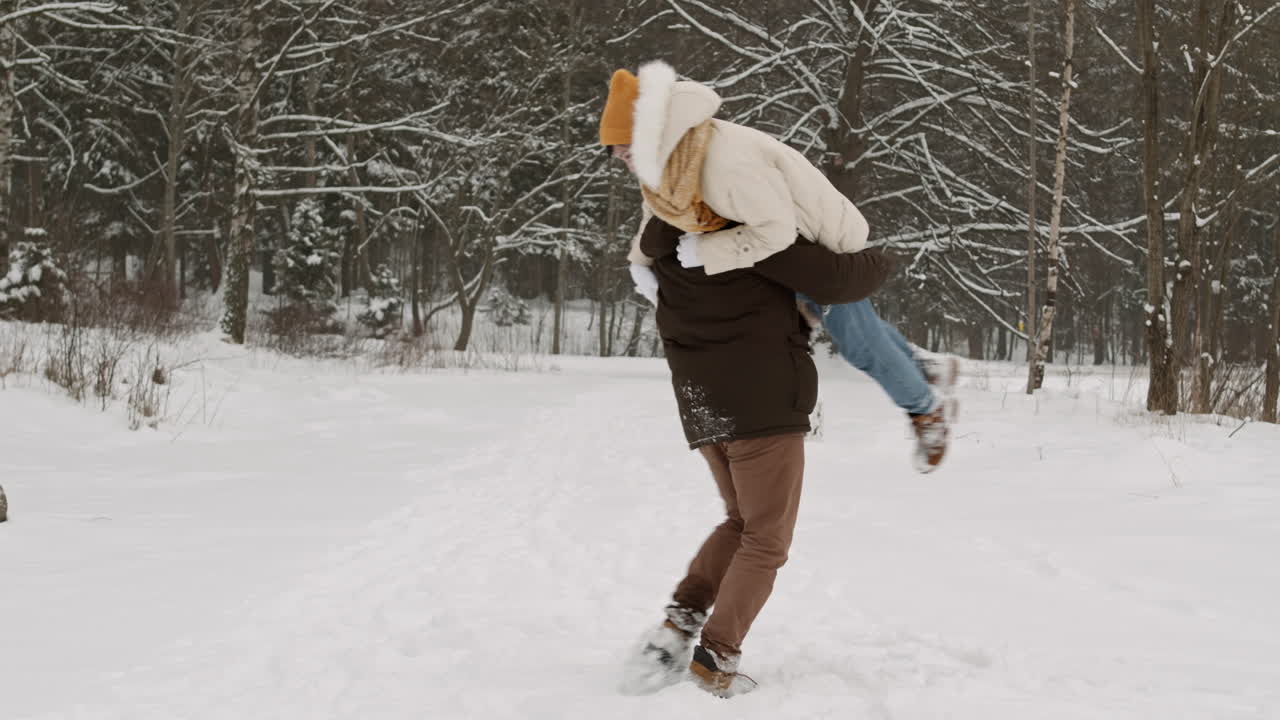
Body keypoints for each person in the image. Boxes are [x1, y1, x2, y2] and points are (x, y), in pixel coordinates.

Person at [600, 60, 958, 472]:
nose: (627, 164)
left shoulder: (721, 162)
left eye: (628, 153)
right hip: (776, 255)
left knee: (858, 344)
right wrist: (638, 263)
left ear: (648, 136)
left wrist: (709, 253)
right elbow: (658, 209)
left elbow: (776, 233)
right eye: (620, 158)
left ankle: (927, 411)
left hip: (819, 247)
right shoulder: (673, 155)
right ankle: (924, 368)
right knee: (860, 333)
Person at [618, 212, 895, 698]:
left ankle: (681, 619)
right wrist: (884, 258)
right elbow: (841, 278)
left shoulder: (663, 238)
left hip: (704, 405)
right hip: (762, 406)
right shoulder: (751, 235)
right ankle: (716, 656)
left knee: (742, 520)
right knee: (767, 539)